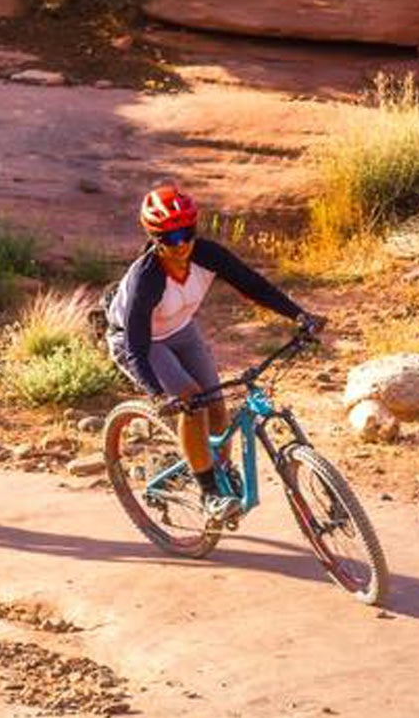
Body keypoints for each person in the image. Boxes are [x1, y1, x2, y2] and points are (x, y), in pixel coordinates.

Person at [104, 183, 324, 524]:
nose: (181, 245)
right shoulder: (146, 280)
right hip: (144, 343)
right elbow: (135, 346)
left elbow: (252, 284)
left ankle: (219, 471)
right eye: (170, 238)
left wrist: (299, 315)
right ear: (155, 239)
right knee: (192, 403)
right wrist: (159, 394)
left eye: (186, 233)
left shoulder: (206, 254)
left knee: (217, 405)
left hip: (181, 330)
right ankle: (209, 493)